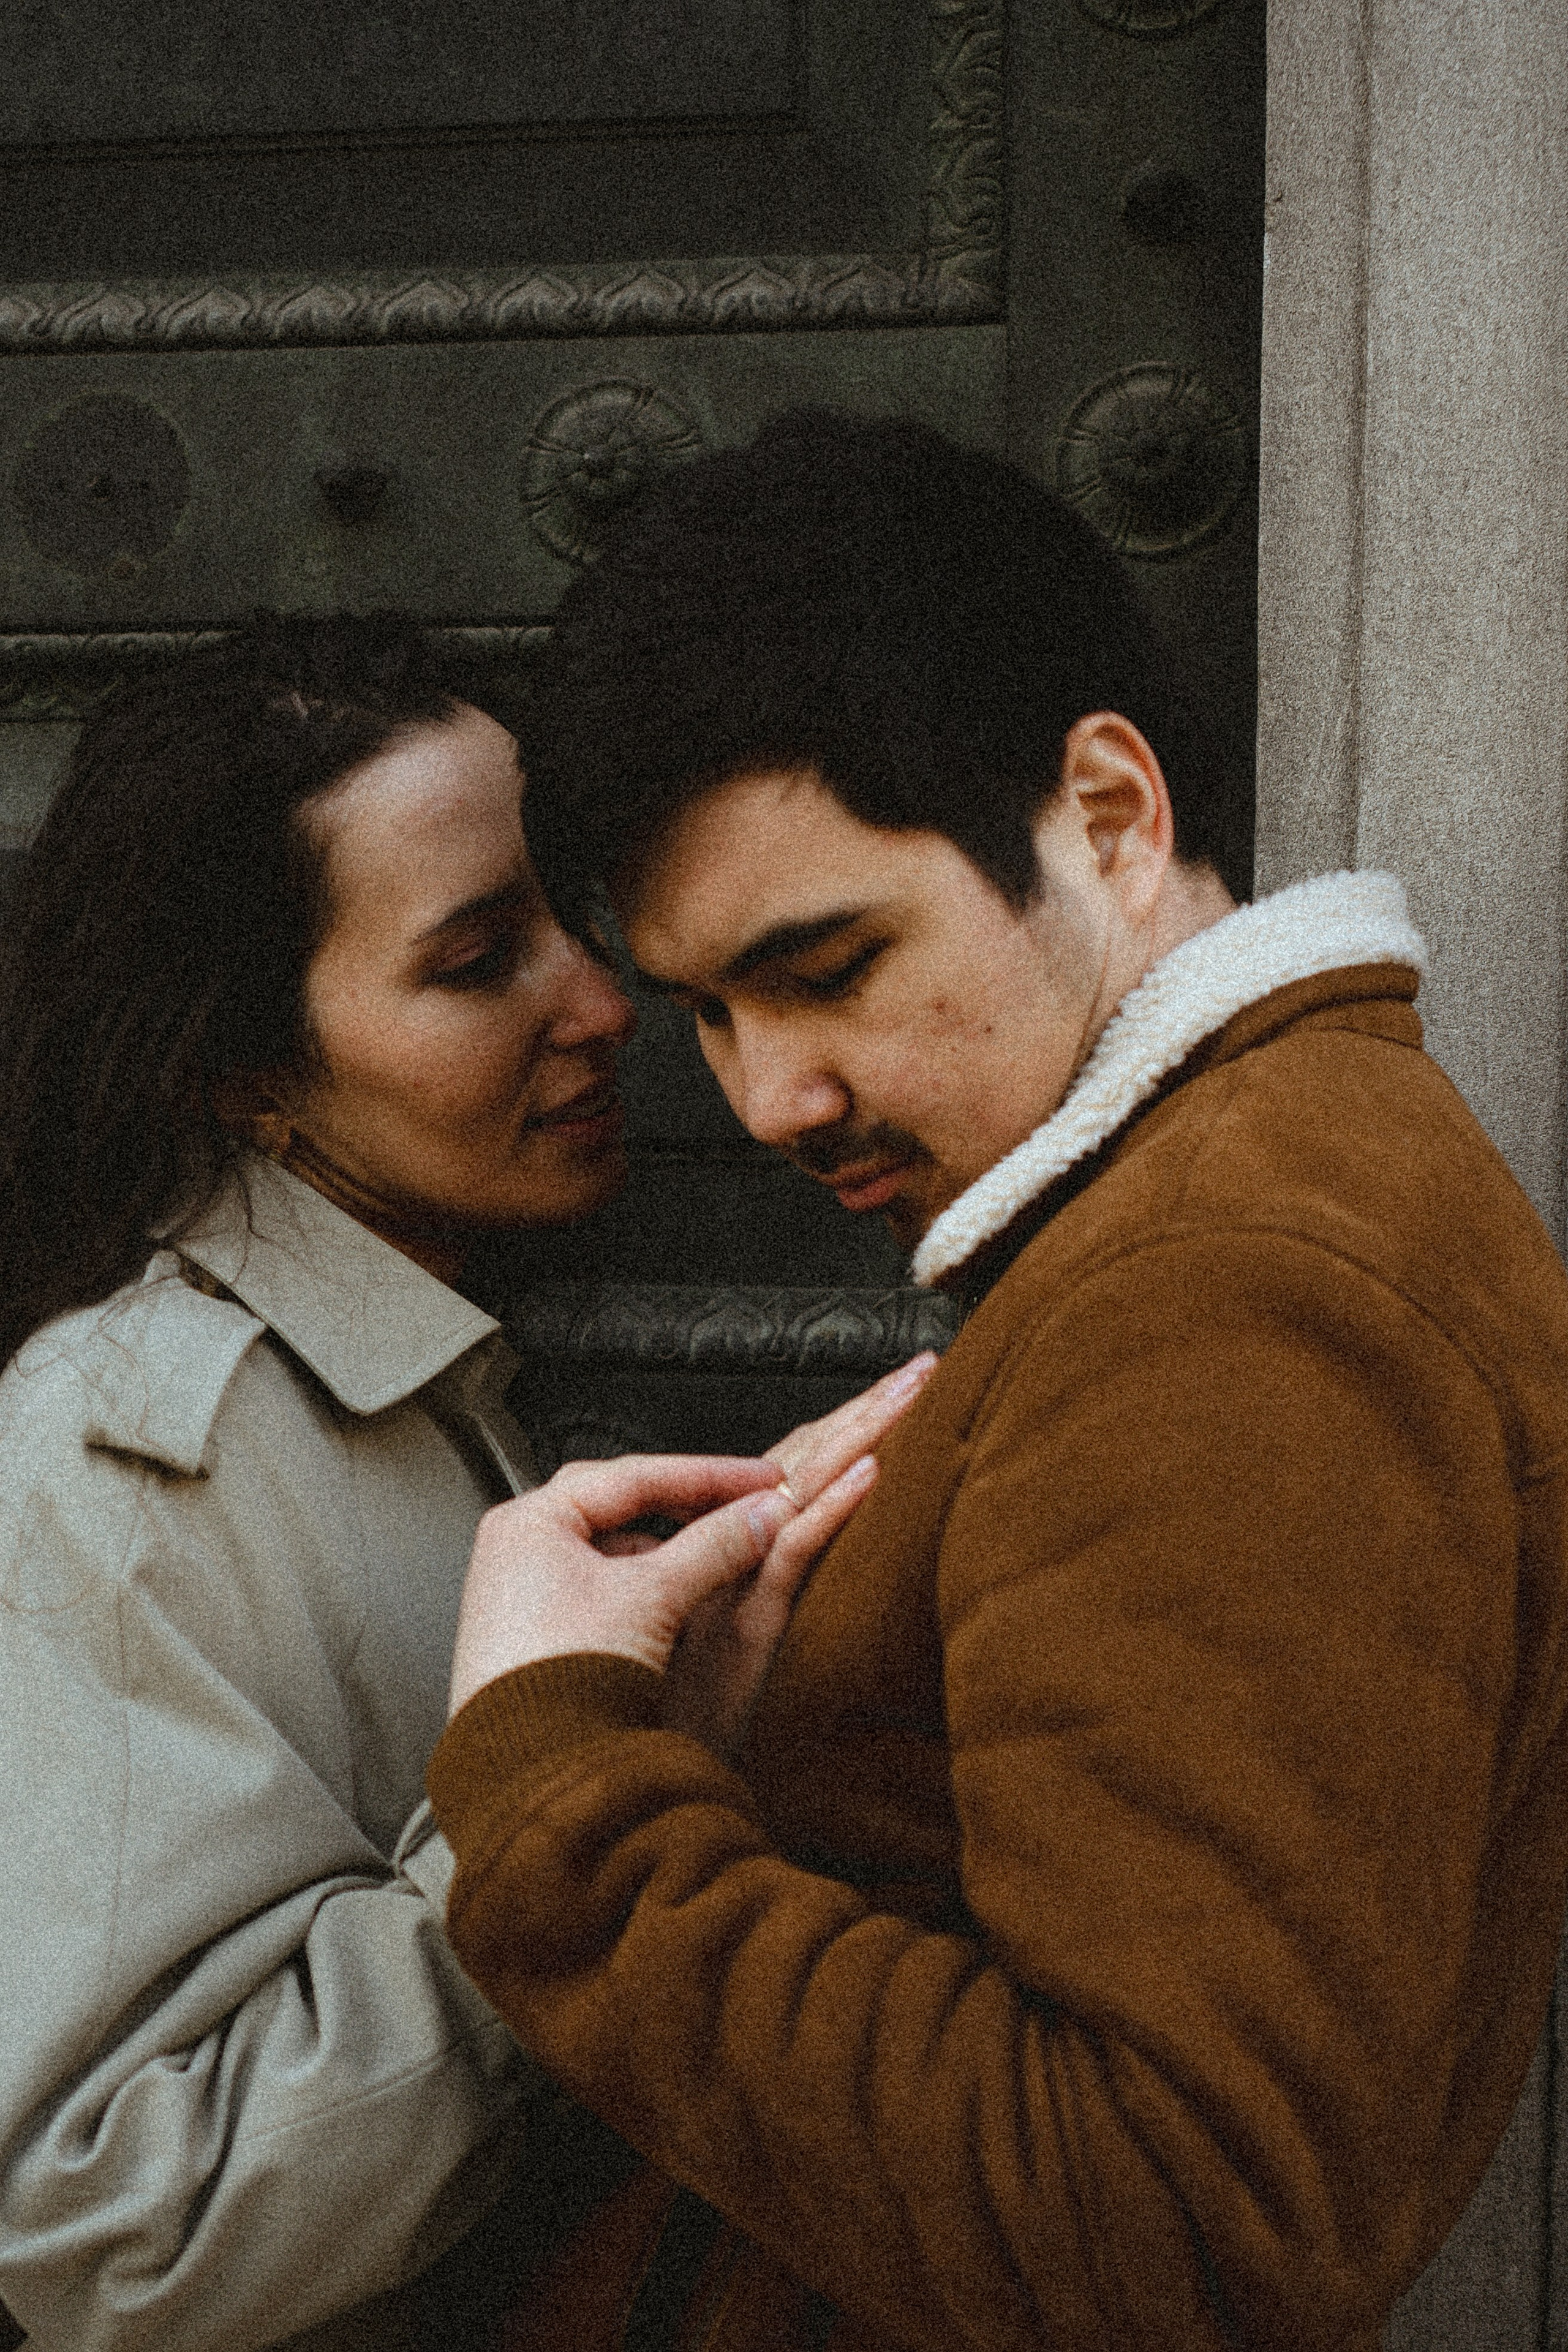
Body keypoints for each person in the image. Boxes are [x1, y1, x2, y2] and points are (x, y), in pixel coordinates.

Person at [418, 412, 1568, 2352]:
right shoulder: (1225, 1200)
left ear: (1108, 813)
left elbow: (1178, 2238)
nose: (771, 1096)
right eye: (709, 1007)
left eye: (832, 964)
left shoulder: (1228, 1293)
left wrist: (570, 1790)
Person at [0, 612, 930, 2352]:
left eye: (570, 919)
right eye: (477, 960)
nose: (601, 1002)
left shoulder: (414, 1387)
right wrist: (578, 1790)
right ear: (250, 1075)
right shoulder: (122, 1463)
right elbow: (119, 2221)